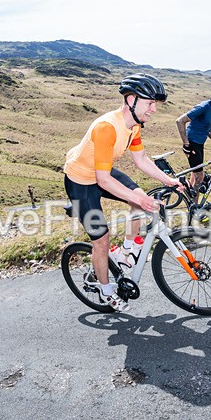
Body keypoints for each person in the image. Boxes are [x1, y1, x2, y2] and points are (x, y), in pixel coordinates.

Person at [63, 73, 182, 312]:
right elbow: (103, 180)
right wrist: (140, 199)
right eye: (150, 103)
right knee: (102, 240)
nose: (154, 109)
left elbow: (141, 159)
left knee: (139, 198)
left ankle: (127, 250)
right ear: (131, 100)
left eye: (155, 104)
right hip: (81, 182)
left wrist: (169, 180)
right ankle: (106, 290)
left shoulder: (134, 125)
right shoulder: (107, 127)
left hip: (101, 173)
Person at [176, 83, 211, 192]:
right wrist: (186, 144)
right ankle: (195, 207)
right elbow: (180, 121)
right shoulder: (204, 107)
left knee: (195, 175)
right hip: (192, 144)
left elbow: (209, 130)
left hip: (200, 144)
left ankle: (191, 204)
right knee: (200, 177)